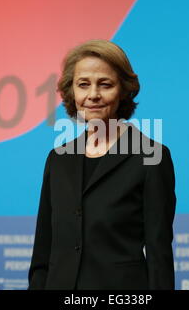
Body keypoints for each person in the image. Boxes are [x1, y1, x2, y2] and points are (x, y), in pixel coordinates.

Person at [27, 39, 176, 290]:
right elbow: (43, 251)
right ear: (71, 92)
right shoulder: (58, 159)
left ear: (124, 91)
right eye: (83, 84)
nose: (93, 95)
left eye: (105, 84)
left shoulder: (152, 156)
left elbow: (158, 254)